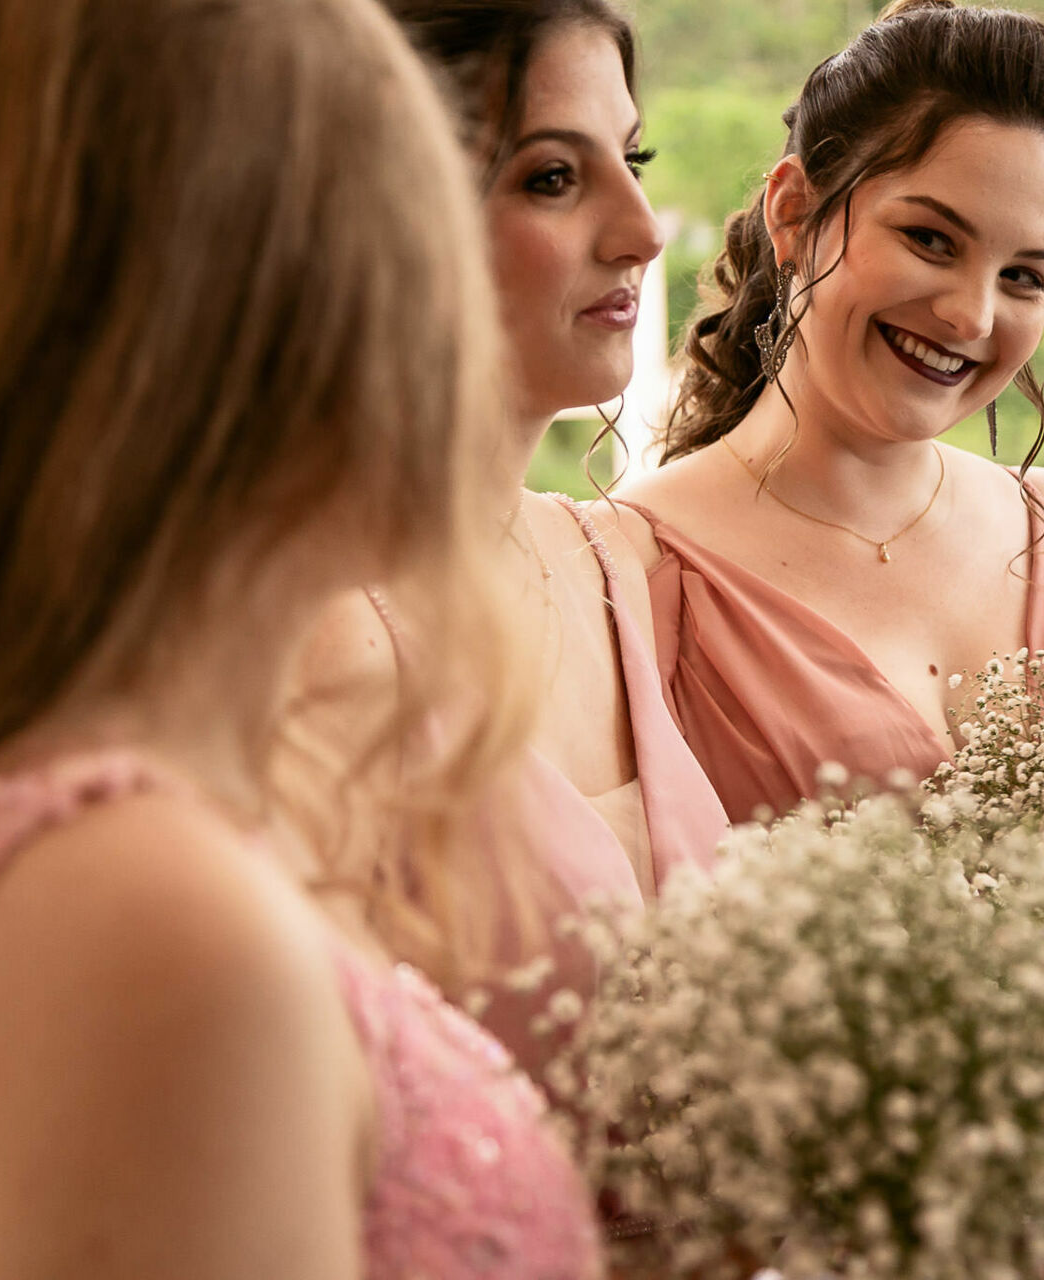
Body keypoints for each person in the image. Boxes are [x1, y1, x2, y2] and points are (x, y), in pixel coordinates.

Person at [0, 0, 602, 1277]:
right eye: (411, 233)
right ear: (241, 320)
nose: (447, 327)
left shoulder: (68, 833)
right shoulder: (147, 922)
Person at [618, 2, 1044, 1271]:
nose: (971, 313)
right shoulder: (634, 568)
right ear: (797, 212)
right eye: (929, 238)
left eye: (1023, 275)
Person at [304, 0, 727, 1074]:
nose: (640, 229)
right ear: (395, 214)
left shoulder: (613, 561)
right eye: (553, 176)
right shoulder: (316, 635)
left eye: (635, 158)